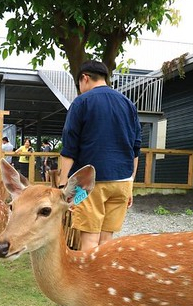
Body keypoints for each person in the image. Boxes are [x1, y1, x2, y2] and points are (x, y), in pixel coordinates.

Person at [59, 60, 141, 251]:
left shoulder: (81, 102)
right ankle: (104, 280)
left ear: (84, 78)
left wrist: (64, 184)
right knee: (107, 242)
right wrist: (130, 184)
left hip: (90, 182)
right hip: (122, 181)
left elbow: (69, 148)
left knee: (89, 241)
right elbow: (136, 148)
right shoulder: (128, 104)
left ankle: (87, 281)